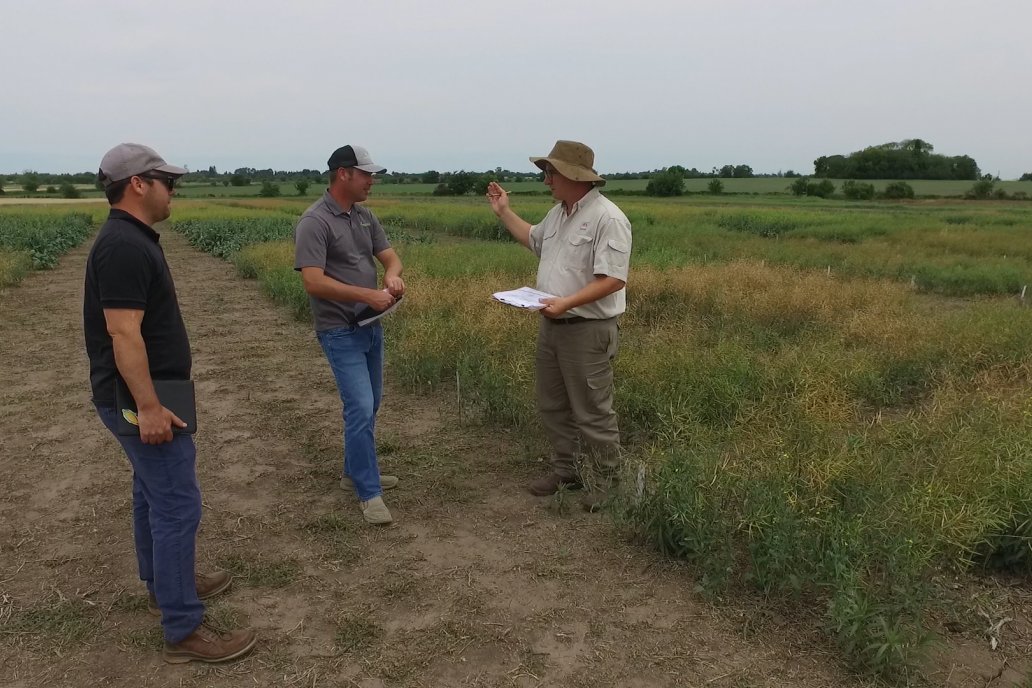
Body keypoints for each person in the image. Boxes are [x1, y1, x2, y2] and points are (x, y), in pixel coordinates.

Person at [84, 143, 257, 664]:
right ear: (138, 183)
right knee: (178, 505)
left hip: (148, 394)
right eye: (165, 179)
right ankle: (183, 628)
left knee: (152, 494)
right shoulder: (123, 246)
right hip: (145, 400)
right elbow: (123, 334)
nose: (173, 187)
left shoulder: (131, 239)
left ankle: (164, 584)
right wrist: (150, 407)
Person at [487, 140, 632, 511]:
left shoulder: (608, 218)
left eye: (550, 172)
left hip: (586, 330)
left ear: (572, 175)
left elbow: (612, 279)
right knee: (552, 404)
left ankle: (609, 483)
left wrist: (566, 302)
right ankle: (567, 470)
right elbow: (533, 240)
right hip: (553, 326)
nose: (546, 179)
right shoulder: (558, 214)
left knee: (592, 411)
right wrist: (504, 212)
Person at [293, 145, 405, 525]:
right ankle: (369, 493)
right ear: (344, 174)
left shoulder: (363, 216)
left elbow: (389, 255)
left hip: (371, 326)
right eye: (366, 174)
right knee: (359, 406)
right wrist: (367, 295)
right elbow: (313, 281)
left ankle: (353, 473)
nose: (371, 181)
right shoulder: (315, 222)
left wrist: (390, 276)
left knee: (370, 404)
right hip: (339, 330)